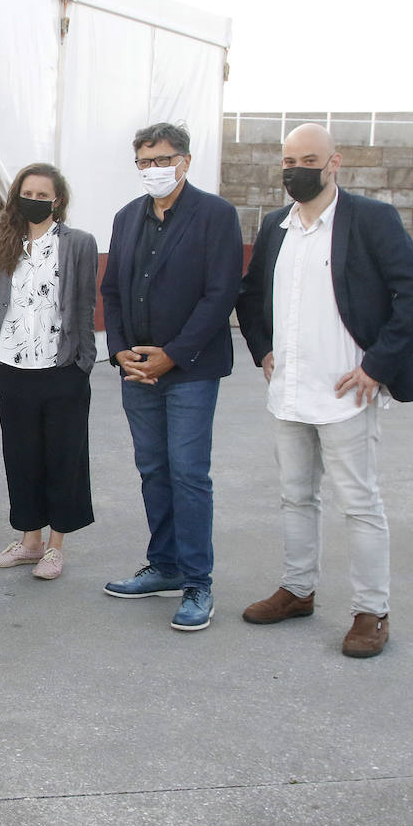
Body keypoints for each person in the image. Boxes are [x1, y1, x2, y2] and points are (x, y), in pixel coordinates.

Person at [236, 123, 413, 658]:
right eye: (287, 160)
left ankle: (371, 611)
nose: (295, 169)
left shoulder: (369, 219)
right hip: (288, 391)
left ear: (334, 163)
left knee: (359, 503)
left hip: (347, 393)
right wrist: (262, 349)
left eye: (308, 159)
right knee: (294, 497)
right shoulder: (277, 225)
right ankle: (297, 591)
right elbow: (252, 292)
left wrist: (377, 365)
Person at [99, 122, 243, 632]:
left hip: (191, 370)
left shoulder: (216, 215)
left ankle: (197, 582)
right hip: (136, 370)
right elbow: (112, 291)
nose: (153, 170)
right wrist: (119, 351)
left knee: (187, 472)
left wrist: (174, 355)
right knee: (154, 469)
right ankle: (164, 565)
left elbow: (221, 293)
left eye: (162, 160)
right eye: (144, 161)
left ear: (184, 160)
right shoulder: (126, 218)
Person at [0, 164, 97, 581]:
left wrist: (83, 361)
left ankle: (55, 547)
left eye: (41, 193)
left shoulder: (78, 244)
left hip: (62, 367)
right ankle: (29, 542)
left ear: (57, 200)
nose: (32, 199)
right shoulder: (6, 244)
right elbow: (0, 302)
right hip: (13, 368)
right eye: (25, 192)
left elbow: (84, 306)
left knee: (63, 457)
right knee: (22, 456)